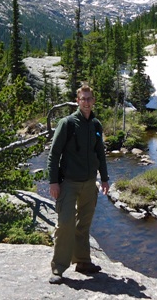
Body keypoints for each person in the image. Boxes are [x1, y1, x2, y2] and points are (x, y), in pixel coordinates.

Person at [46, 83, 110, 284]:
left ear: (94, 100)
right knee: (65, 223)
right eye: (83, 99)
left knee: (84, 223)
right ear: (77, 101)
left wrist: (105, 178)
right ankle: (58, 268)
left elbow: (100, 153)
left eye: (89, 98)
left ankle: (83, 262)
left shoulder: (96, 125)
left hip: (90, 184)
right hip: (69, 183)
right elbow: (53, 155)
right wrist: (54, 182)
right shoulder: (68, 123)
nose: (86, 102)